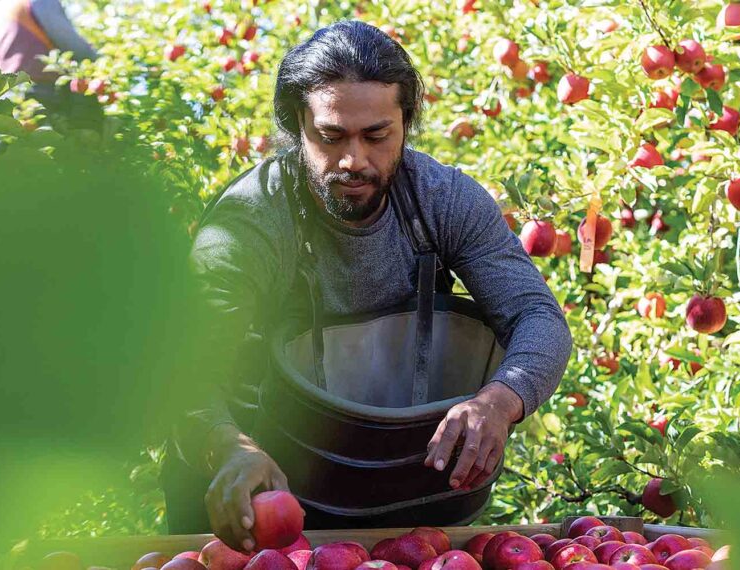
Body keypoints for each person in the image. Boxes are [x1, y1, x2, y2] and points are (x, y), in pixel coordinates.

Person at [165, 20, 572, 549]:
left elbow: (537, 317)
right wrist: (226, 447)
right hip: (257, 501)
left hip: (401, 501)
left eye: (377, 135)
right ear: (297, 125)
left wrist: (500, 399)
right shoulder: (251, 222)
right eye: (330, 136)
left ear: (406, 123)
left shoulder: (443, 202)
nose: (354, 160)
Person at [0, 0, 102, 153]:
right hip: (41, 89)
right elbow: (69, 41)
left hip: (2, 94)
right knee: (63, 155)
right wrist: (101, 64)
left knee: (0, 159)